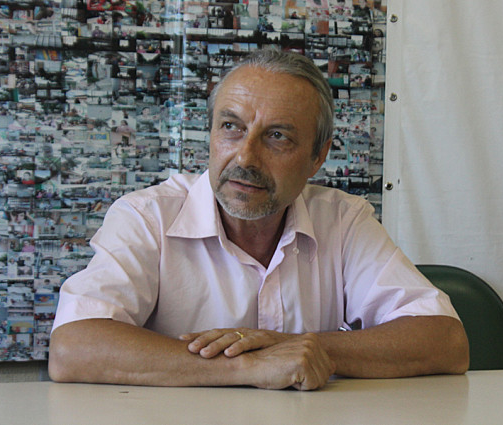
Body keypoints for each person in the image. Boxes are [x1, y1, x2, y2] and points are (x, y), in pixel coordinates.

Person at [49, 49, 468, 390]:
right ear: (210, 133)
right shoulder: (147, 216)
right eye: (231, 127)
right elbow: (73, 347)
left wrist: (304, 349)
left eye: (277, 136)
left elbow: (446, 341)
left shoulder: (342, 219)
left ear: (318, 157)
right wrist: (248, 366)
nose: (246, 157)